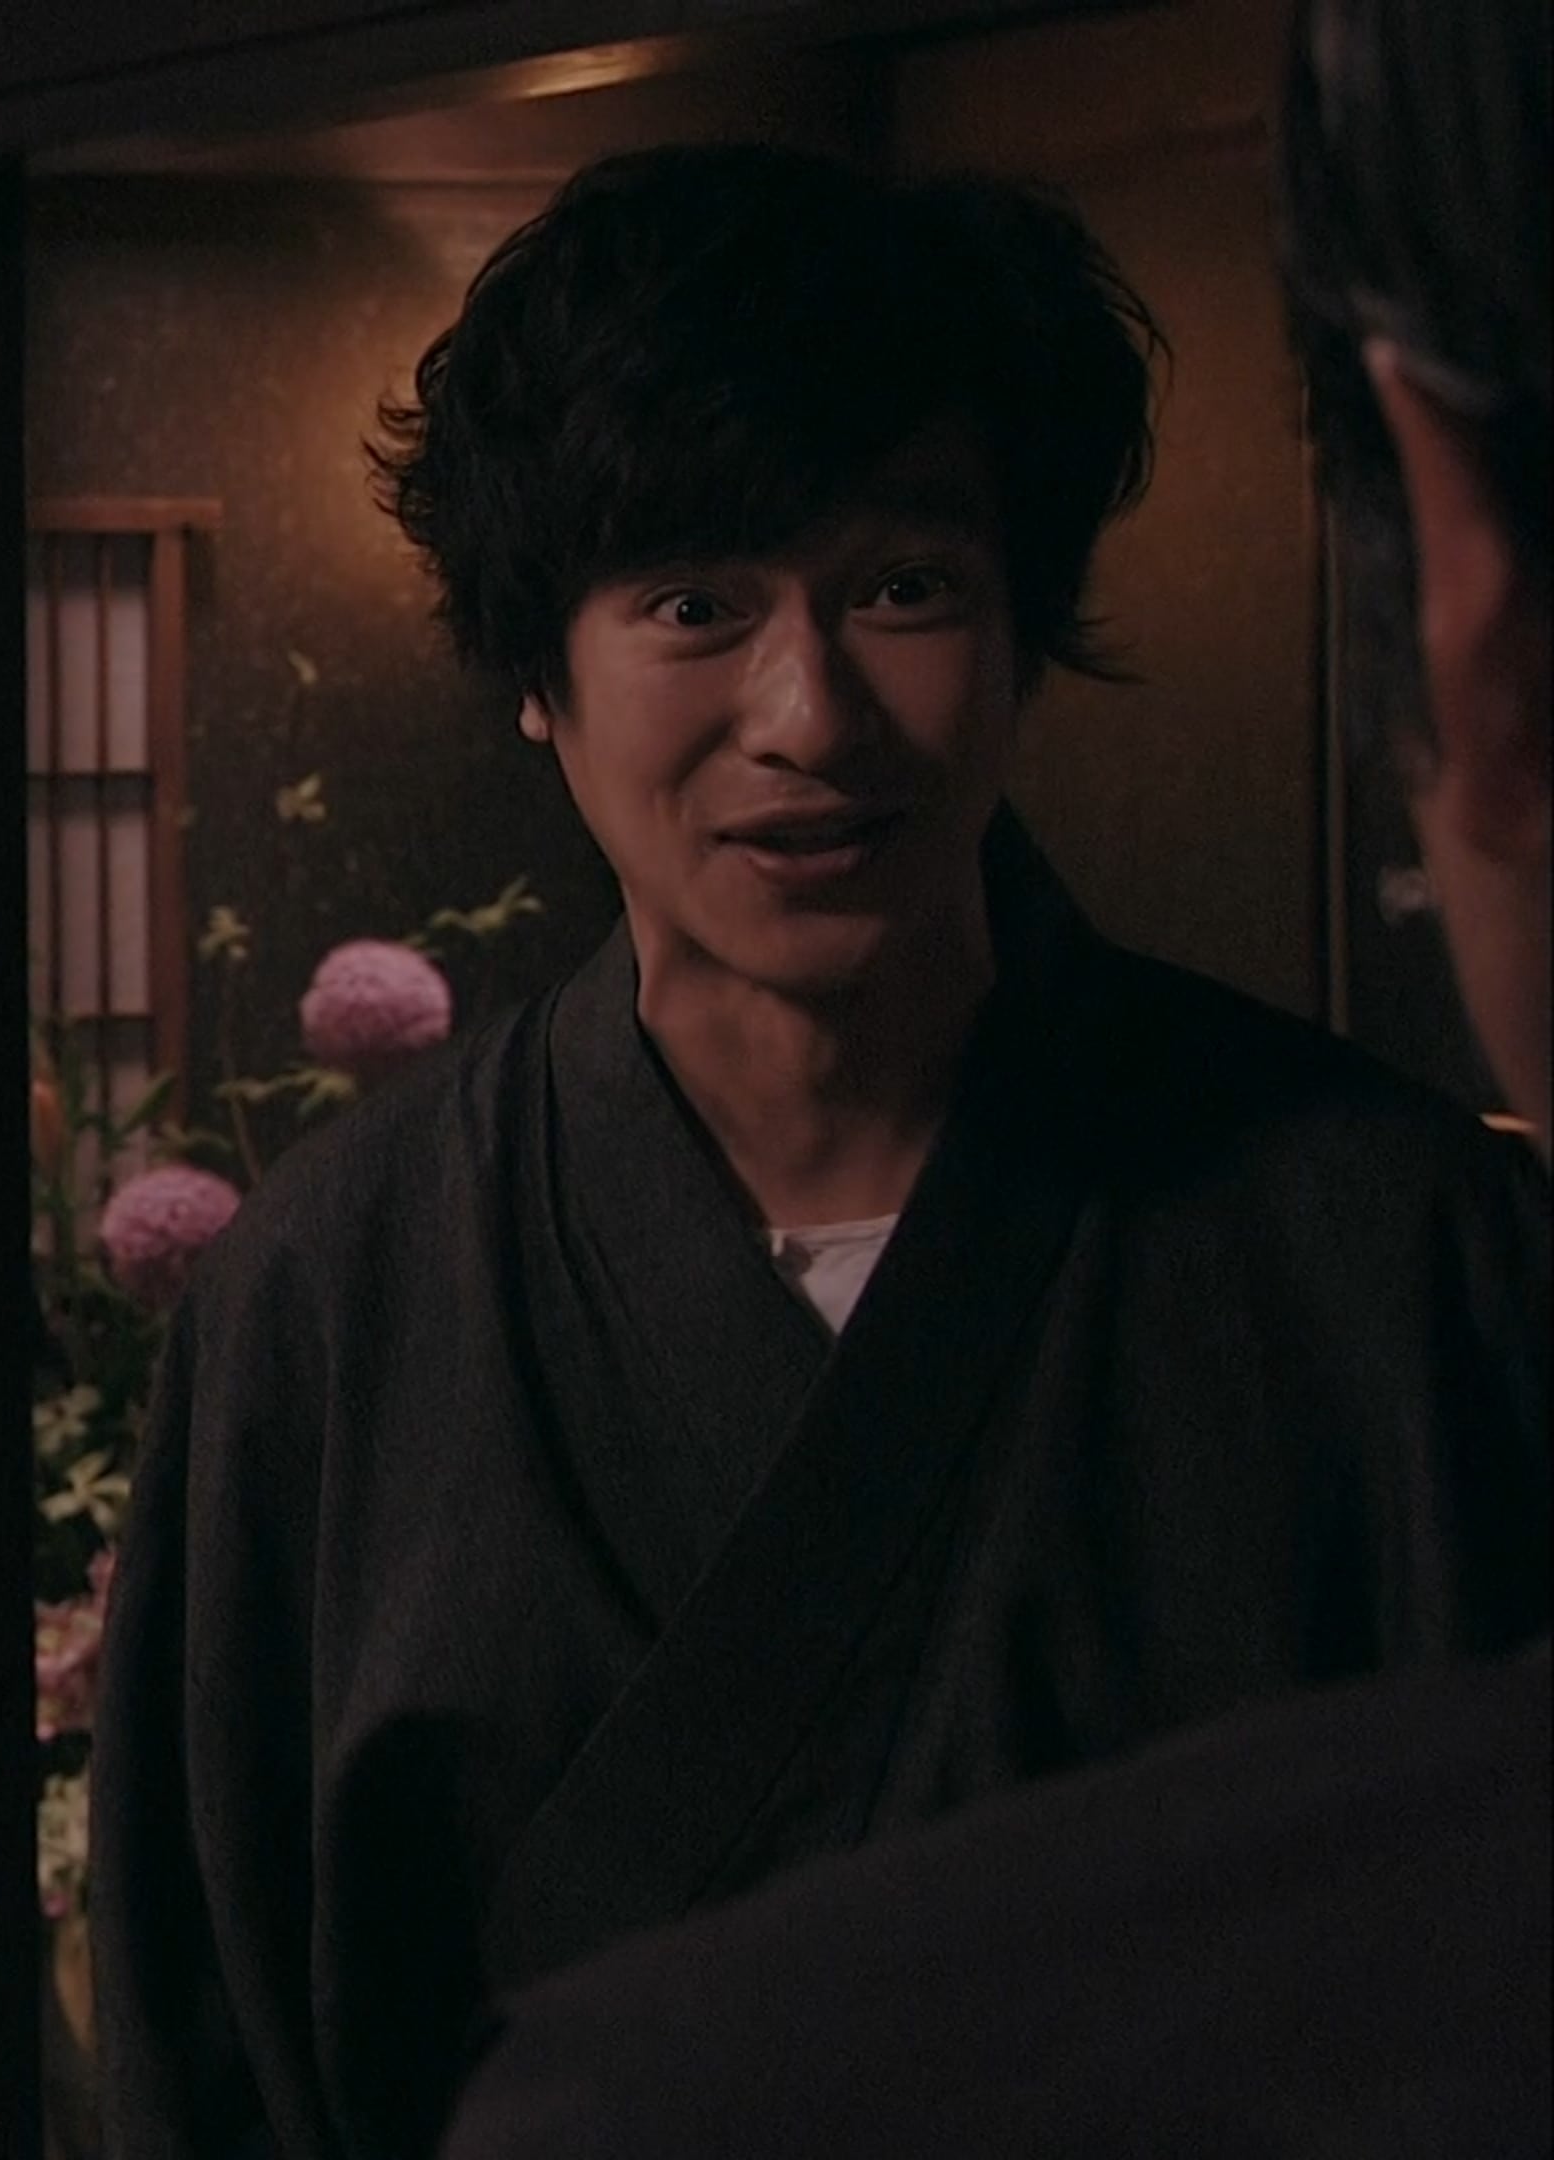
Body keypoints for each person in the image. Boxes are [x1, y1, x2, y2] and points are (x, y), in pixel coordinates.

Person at [87, 143, 1550, 2160]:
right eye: (695, 603)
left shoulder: (1393, 1249)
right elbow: (209, 2055)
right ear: (538, 678)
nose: (811, 712)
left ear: (1028, 625)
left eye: (905, 588)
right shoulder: (333, 1298)